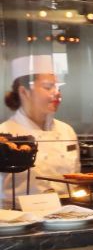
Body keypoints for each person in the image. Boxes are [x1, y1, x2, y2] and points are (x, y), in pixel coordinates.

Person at [1, 55, 79, 199]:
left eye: (57, 87)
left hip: (68, 214)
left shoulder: (66, 131)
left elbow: (76, 179)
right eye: (48, 87)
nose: (57, 93)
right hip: (19, 216)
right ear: (24, 92)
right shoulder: (5, 133)